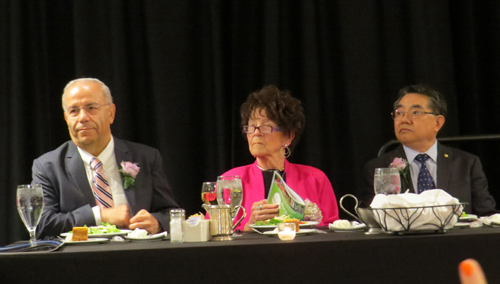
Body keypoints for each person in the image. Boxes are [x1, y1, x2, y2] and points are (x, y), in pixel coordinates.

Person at [32, 78, 179, 238]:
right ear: (67, 119)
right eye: (74, 111)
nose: (82, 118)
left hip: (137, 256)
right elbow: (42, 224)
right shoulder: (48, 166)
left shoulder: (145, 157)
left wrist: (157, 223)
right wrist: (100, 216)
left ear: (111, 113)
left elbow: (171, 214)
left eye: (91, 108)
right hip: (79, 259)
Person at [360, 84, 497, 216]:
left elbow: (487, 214)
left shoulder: (466, 164)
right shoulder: (377, 168)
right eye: (399, 113)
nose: (404, 119)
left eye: (415, 112)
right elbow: (372, 219)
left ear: (437, 123)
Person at [221, 85, 339, 231]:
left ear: (288, 136)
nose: (256, 133)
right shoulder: (229, 181)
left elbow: (333, 232)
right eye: (251, 127)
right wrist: (247, 228)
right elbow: (215, 236)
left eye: (266, 127)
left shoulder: (316, 178)